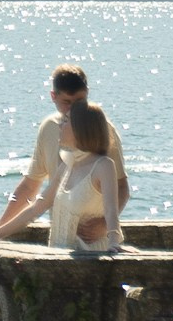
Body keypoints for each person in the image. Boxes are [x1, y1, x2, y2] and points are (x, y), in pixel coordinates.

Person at [0, 65, 131, 244]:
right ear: (54, 97)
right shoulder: (52, 134)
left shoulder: (102, 133)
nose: (73, 109)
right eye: (67, 102)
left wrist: (105, 225)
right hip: (62, 245)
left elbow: (121, 188)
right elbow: (30, 190)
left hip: (94, 246)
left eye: (80, 101)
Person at [47, 95, 125, 254]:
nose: (60, 125)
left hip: (91, 256)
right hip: (61, 255)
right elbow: (38, 205)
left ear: (80, 129)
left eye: (66, 121)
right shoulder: (68, 163)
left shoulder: (104, 165)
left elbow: (111, 209)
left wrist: (113, 242)